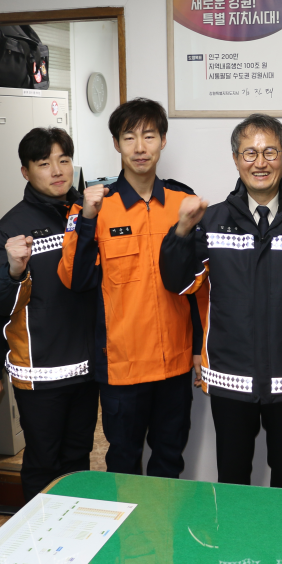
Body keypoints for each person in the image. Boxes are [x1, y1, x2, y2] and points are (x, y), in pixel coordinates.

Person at [159, 113, 282, 490]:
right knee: (232, 480)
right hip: (231, 376)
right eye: (250, 153)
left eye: (270, 152)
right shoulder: (210, 222)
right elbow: (178, 283)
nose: (260, 162)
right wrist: (181, 231)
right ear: (235, 159)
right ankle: (234, 534)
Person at [58, 98, 203, 478]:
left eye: (149, 136)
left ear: (163, 141)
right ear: (116, 143)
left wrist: (199, 349)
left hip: (174, 363)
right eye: (129, 137)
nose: (140, 147)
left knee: (169, 460)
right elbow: (75, 280)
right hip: (122, 367)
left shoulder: (183, 203)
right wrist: (87, 220)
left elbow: (197, 287)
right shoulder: (93, 206)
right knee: (123, 463)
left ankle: (166, 521)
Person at [0, 127, 97, 501]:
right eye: (44, 163)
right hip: (41, 370)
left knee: (78, 460)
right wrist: (13, 270)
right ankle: (36, 534)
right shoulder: (9, 230)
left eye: (64, 160)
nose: (57, 170)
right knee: (44, 462)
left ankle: (77, 532)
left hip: (87, 365)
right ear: (25, 171)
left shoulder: (89, 213)